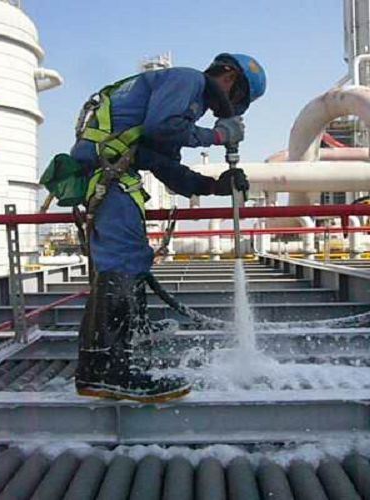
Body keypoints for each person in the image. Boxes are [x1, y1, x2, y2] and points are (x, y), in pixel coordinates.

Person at [70, 53, 266, 403]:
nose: (228, 108)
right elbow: (162, 128)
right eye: (235, 99)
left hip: (115, 173)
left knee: (132, 258)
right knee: (122, 261)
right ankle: (104, 373)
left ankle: (131, 330)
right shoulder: (187, 79)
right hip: (108, 174)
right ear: (229, 77)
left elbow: (165, 167)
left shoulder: (180, 104)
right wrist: (218, 135)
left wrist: (213, 186)